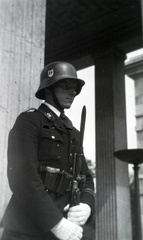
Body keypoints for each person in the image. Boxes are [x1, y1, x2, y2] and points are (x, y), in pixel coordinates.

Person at [1, 61, 95, 240]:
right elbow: (23, 179)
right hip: (27, 230)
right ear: (49, 89)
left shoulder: (73, 132)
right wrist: (56, 223)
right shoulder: (29, 122)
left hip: (66, 229)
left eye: (74, 88)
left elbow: (86, 178)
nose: (73, 92)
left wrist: (87, 205)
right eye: (66, 86)